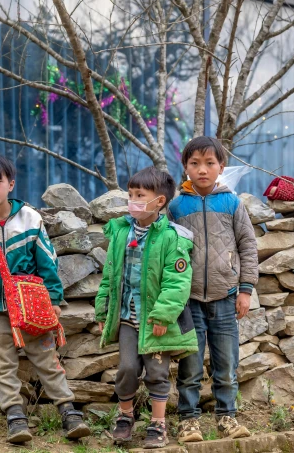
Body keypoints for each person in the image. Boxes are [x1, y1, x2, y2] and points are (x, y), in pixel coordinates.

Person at [0, 154, 90, 444]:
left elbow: (46, 262)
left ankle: (68, 411)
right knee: (2, 364)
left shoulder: (30, 219)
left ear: (10, 184)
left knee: (46, 358)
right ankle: (16, 417)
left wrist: (54, 298)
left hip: (32, 307)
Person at [94, 166, 199, 449]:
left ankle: (157, 424)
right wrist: (104, 311)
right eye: (130, 194)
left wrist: (164, 314)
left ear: (159, 201)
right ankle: (125, 416)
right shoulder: (120, 232)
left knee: (157, 373)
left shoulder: (172, 237)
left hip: (156, 322)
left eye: (140, 195)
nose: (133, 200)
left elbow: (177, 282)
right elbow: (110, 276)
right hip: (128, 318)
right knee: (127, 368)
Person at [167, 136, 259, 442]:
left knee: (227, 363)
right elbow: (168, 251)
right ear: (185, 168)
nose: (202, 169)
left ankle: (227, 418)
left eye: (210, 163)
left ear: (221, 166)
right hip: (188, 300)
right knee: (190, 365)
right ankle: (188, 421)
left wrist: (245, 289)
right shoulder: (177, 206)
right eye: (195, 163)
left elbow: (247, 246)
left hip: (225, 297)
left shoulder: (232, 203)